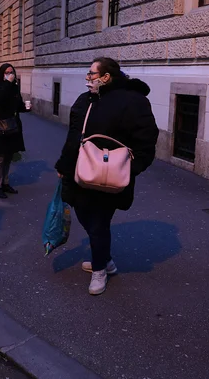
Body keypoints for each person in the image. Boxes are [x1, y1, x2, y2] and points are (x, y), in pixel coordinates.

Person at [55, 57, 159, 295]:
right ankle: (105, 258)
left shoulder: (134, 101)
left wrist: (131, 168)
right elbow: (73, 139)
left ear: (106, 77)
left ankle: (99, 269)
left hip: (112, 176)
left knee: (99, 222)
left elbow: (147, 139)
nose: (88, 78)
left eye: (92, 74)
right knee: (86, 217)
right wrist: (63, 165)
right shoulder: (85, 100)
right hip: (82, 171)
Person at [0, 63, 27, 199]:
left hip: (12, 126)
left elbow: (17, 105)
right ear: (1, 74)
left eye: (12, 72)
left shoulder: (14, 87)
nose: (10, 75)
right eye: (7, 72)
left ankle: (5, 183)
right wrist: (8, 84)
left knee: (9, 157)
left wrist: (25, 107)